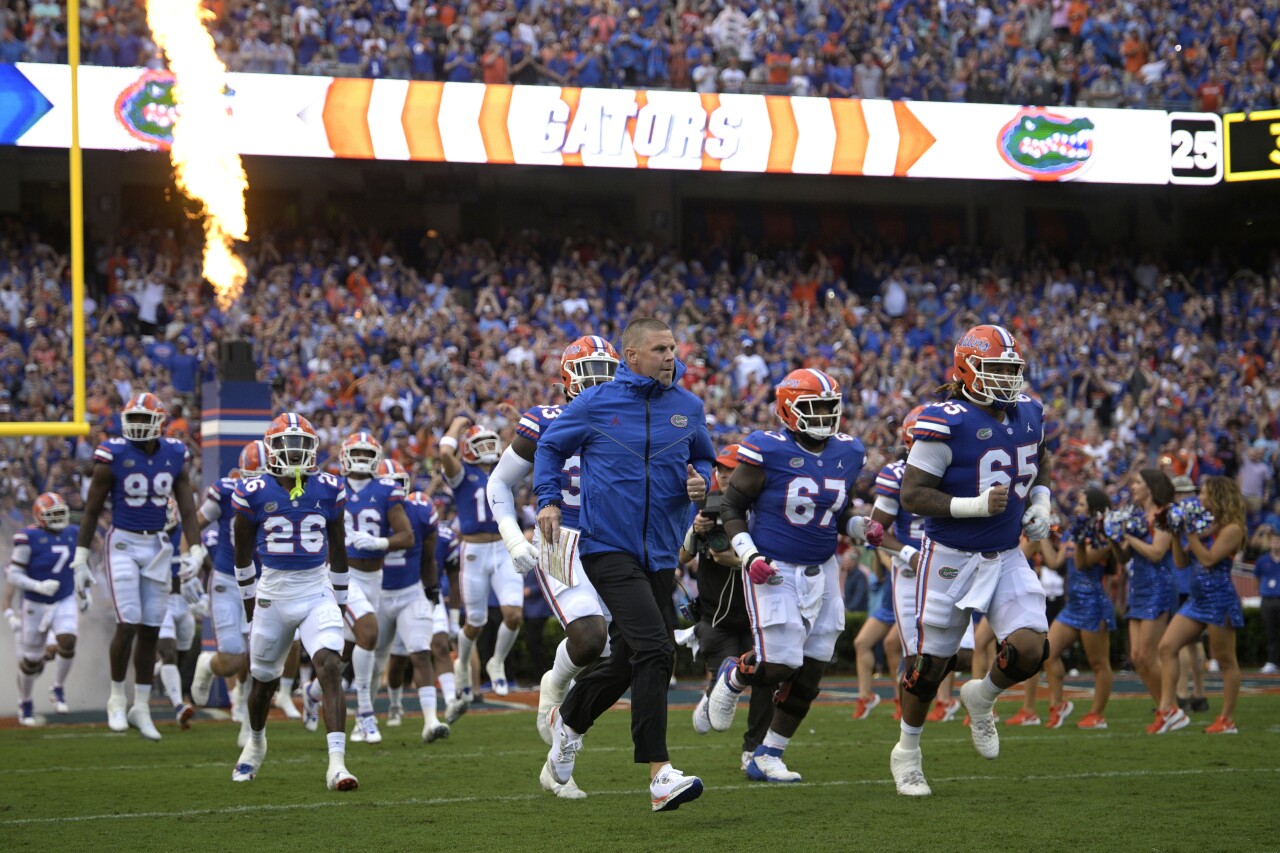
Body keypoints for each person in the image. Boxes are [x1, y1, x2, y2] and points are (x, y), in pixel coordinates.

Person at [534, 317, 714, 812]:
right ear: (631, 356)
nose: (670, 357)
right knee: (657, 649)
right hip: (606, 548)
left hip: (660, 551)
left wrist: (699, 482)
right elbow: (549, 446)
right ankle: (659, 775)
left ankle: (567, 729)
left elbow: (704, 462)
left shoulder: (689, 407)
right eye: (659, 349)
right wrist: (548, 499)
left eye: (674, 348)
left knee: (628, 659)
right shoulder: (595, 403)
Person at [891, 324, 1052, 797]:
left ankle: (981, 698)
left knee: (1030, 649)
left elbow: (1038, 464)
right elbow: (913, 494)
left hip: (1005, 554)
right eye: (995, 369)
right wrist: (972, 505)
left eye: (1010, 370)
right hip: (949, 557)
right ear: (967, 369)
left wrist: (1040, 502)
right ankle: (907, 752)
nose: (1006, 379)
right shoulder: (945, 420)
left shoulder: (1030, 412)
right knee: (928, 668)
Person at [705, 368, 881, 785]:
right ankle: (735, 674)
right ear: (788, 409)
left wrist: (859, 528)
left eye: (828, 407)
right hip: (775, 568)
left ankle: (769, 754)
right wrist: (748, 555)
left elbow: (833, 514)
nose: (822, 416)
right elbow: (730, 508)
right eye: (812, 408)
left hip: (823, 567)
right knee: (781, 664)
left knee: (813, 668)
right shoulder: (766, 449)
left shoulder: (848, 451)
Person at [486, 335, 618, 797]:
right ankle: (556, 682)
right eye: (592, 373)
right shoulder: (546, 420)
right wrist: (510, 538)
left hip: (615, 544)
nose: (602, 382)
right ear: (568, 379)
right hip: (560, 538)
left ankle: (562, 747)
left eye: (610, 372)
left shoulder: (627, 422)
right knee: (588, 636)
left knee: (615, 656)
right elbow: (499, 483)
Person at [230, 413, 357, 791]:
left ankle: (337, 764)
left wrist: (342, 600)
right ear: (270, 449)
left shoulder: (329, 488)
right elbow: (241, 555)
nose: (295, 452)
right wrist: (249, 602)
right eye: (286, 445)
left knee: (329, 665)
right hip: (272, 591)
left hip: (315, 588)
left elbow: (338, 547)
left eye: (302, 445)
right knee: (263, 684)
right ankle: (255, 743)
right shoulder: (252, 490)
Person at [71, 392, 207, 740]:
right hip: (124, 544)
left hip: (158, 546)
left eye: (145, 421)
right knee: (128, 622)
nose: (137, 428)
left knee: (149, 628)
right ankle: (117, 699)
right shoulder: (112, 454)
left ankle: (141, 705)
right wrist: (82, 557)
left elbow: (188, 508)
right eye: (133, 420)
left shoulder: (175, 454)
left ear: (160, 423)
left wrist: (195, 549)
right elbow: (91, 510)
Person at [681, 443, 774, 773]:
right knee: (722, 698)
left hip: (757, 614)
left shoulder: (768, 509)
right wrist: (695, 532)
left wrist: (741, 561)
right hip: (716, 616)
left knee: (765, 679)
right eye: (720, 468)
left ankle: (754, 750)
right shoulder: (708, 505)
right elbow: (686, 557)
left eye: (731, 469)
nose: (723, 474)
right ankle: (711, 696)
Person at [334, 431, 413, 744]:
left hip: (374, 578)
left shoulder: (385, 489)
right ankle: (365, 713)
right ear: (344, 455)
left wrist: (380, 541)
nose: (363, 460)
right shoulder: (332, 488)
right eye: (358, 453)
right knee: (368, 635)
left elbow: (407, 536)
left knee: (350, 645)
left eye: (369, 454)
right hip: (341, 574)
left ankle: (314, 692)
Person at [439, 414, 523, 701]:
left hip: (503, 546)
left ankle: (496, 660)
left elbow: (530, 446)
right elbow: (443, 452)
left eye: (490, 441)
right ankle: (462, 663)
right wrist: (456, 424)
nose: (487, 447)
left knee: (513, 614)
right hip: (474, 551)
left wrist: (516, 420)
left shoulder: (505, 470)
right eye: (480, 443)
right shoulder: (461, 473)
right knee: (475, 622)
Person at [1156, 476, 1246, 734]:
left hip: (1219, 599)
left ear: (1218, 495)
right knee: (1167, 646)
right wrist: (1175, 534)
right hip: (1197, 600)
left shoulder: (1232, 528)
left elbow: (1207, 559)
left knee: (1225, 660)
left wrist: (1190, 531)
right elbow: (1182, 562)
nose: (1200, 498)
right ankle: (1169, 710)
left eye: (1205, 493)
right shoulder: (1206, 524)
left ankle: (1226, 719)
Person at [192, 440, 268, 743]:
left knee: (260, 657)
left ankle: (248, 721)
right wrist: (192, 556)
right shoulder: (224, 491)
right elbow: (194, 523)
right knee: (234, 660)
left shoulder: (285, 492)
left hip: (263, 582)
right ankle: (208, 664)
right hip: (227, 578)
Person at [854, 405, 926, 721]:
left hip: (950, 564)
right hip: (911, 570)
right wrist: (907, 553)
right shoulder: (897, 474)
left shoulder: (960, 469)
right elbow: (876, 531)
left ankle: (958, 698)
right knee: (907, 649)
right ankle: (906, 709)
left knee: (964, 648)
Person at [372, 460, 450, 744]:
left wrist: (431, 588)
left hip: (410, 590)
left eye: (398, 484)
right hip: (376, 592)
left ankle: (430, 720)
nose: (394, 490)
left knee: (420, 651)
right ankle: (366, 718)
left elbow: (428, 556)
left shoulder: (419, 511)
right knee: (372, 659)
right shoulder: (366, 513)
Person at [1040, 488, 1116, 729]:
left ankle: (1097, 714)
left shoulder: (1104, 535)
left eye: (1082, 504)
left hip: (1094, 603)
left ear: (1094, 508)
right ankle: (1058, 705)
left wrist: (1081, 538)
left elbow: (1084, 562)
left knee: (1098, 663)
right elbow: (1054, 563)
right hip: (1072, 605)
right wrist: (1040, 533)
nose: (1077, 508)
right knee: (1047, 653)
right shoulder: (1072, 532)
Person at [7, 492, 84, 724]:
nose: (59, 518)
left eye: (61, 513)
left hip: (64, 598)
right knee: (31, 661)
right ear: (40, 517)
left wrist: (85, 591)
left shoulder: (72, 533)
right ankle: (26, 701)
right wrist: (38, 586)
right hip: (35, 603)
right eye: (53, 514)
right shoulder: (27, 537)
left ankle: (57, 687)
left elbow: (80, 566)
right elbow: (14, 575)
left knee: (68, 640)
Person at [1111, 468, 1176, 709]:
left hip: (1158, 587)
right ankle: (1166, 708)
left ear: (1150, 486)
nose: (1133, 487)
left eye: (1137, 483)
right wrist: (1114, 539)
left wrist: (1129, 534)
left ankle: (1170, 708)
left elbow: (1157, 553)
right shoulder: (1138, 518)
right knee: (1137, 658)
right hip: (1138, 588)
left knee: (1149, 655)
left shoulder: (1164, 514)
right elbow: (1123, 558)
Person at [155, 496, 206, 730]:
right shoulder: (147, 536)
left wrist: (204, 596)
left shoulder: (187, 533)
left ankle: (163, 674)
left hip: (183, 601)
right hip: (160, 599)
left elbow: (205, 565)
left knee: (182, 654)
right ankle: (178, 705)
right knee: (168, 652)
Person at [1256, 530, 1280, 674]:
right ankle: (1272, 661)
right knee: (1271, 632)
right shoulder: (1262, 560)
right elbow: (1257, 579)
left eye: (1278, 541)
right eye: (1273, 541)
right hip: (1268, 599)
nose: (1275, 544)